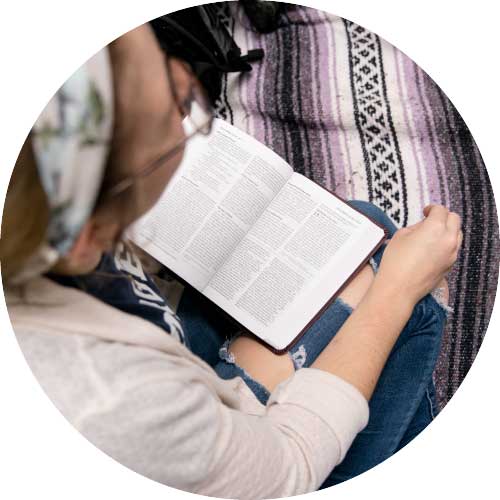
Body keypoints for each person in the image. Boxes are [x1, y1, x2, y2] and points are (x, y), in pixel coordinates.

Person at [1, 23, 462, 498]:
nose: (185, 84)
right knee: (401, 283)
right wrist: (395, 295)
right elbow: (291, 463)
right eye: (177, 119)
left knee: (360, 226)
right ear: (84, 235)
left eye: (166, 62)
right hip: (234, 441)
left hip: (161, 363)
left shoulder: (40, 230)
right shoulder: (111, 400)